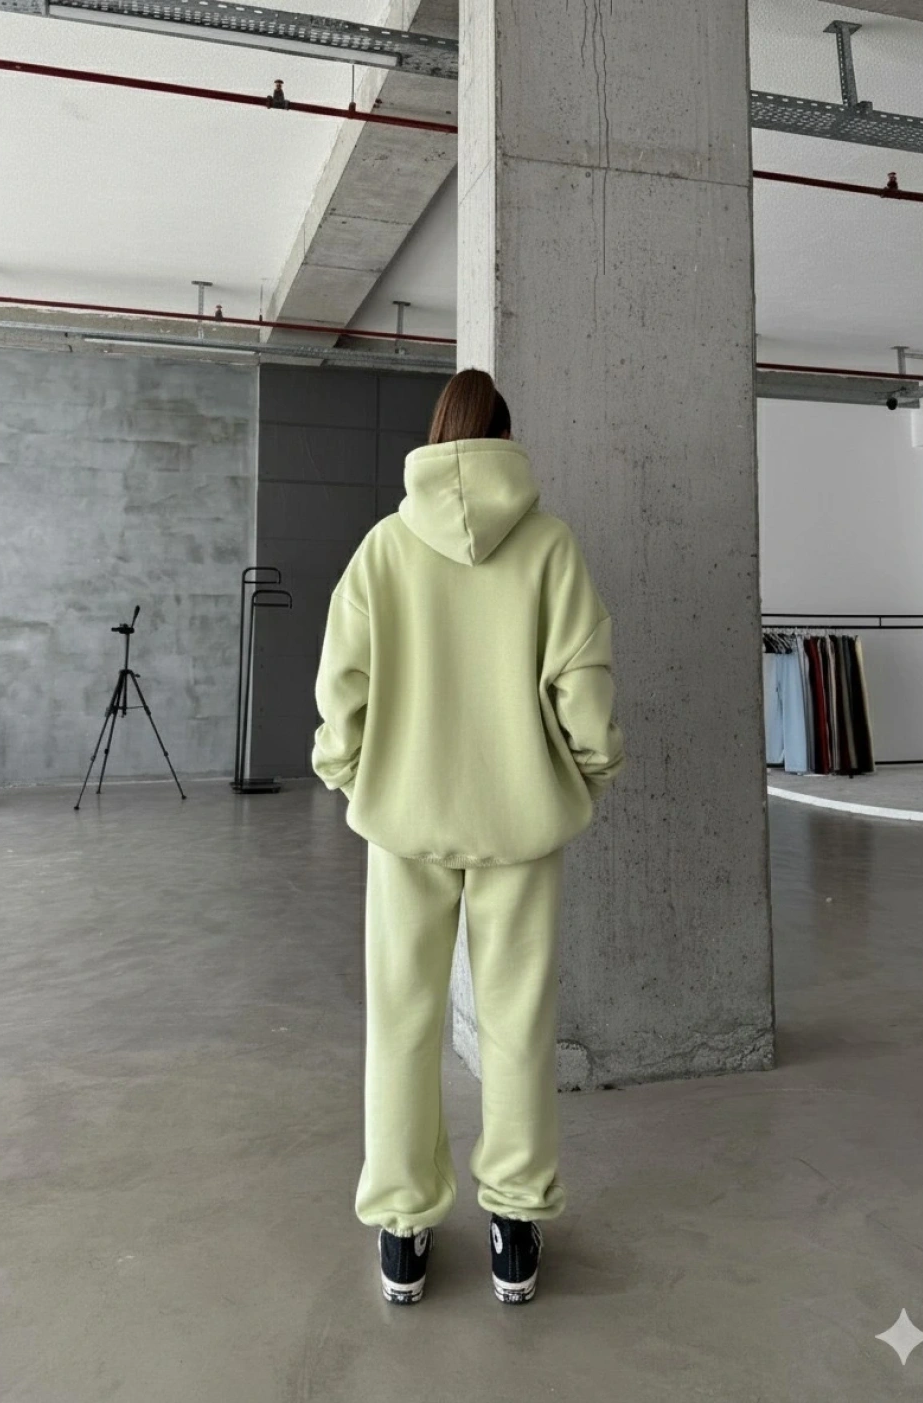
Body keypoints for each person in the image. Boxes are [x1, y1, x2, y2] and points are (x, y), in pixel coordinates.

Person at [312, 367, 625, 1306]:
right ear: (505, 439)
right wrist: (584, 772)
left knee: (402, 1018)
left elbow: (341, 685)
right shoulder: (550, 545)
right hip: (520, 822)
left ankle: (403, 1230)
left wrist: (352, 773)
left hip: (406, 822)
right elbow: (585, 682)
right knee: (517, 1022)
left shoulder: (384, 547)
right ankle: (515, 1227)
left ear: (436, 436)